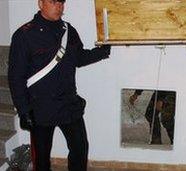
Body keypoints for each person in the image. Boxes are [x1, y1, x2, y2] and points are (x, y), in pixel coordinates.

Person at [8, 0, 111, 170]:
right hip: (40, 107)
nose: (59, 6)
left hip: (68, 104)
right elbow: (16, 77)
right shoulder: (24, 35)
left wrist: (102, 52)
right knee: (42, 158)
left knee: (80, 148)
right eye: (53, 2)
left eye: (61, 2)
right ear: (41, 3)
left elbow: (78, 58)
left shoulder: (68, 31)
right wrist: (24, 111)